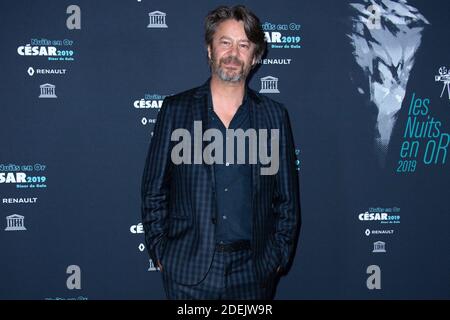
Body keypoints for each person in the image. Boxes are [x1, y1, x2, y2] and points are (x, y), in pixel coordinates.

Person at [141, 5, 300, 300]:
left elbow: (286, 198)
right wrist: (161, 251)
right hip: (189, 269)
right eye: (225, 42)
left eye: (244, 45)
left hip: (253, 271)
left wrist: (277, 256)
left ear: (255, 56)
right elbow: (154, 190)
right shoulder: (176, 111)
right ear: (210, 50)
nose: (233, 53)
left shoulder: (274, 117)